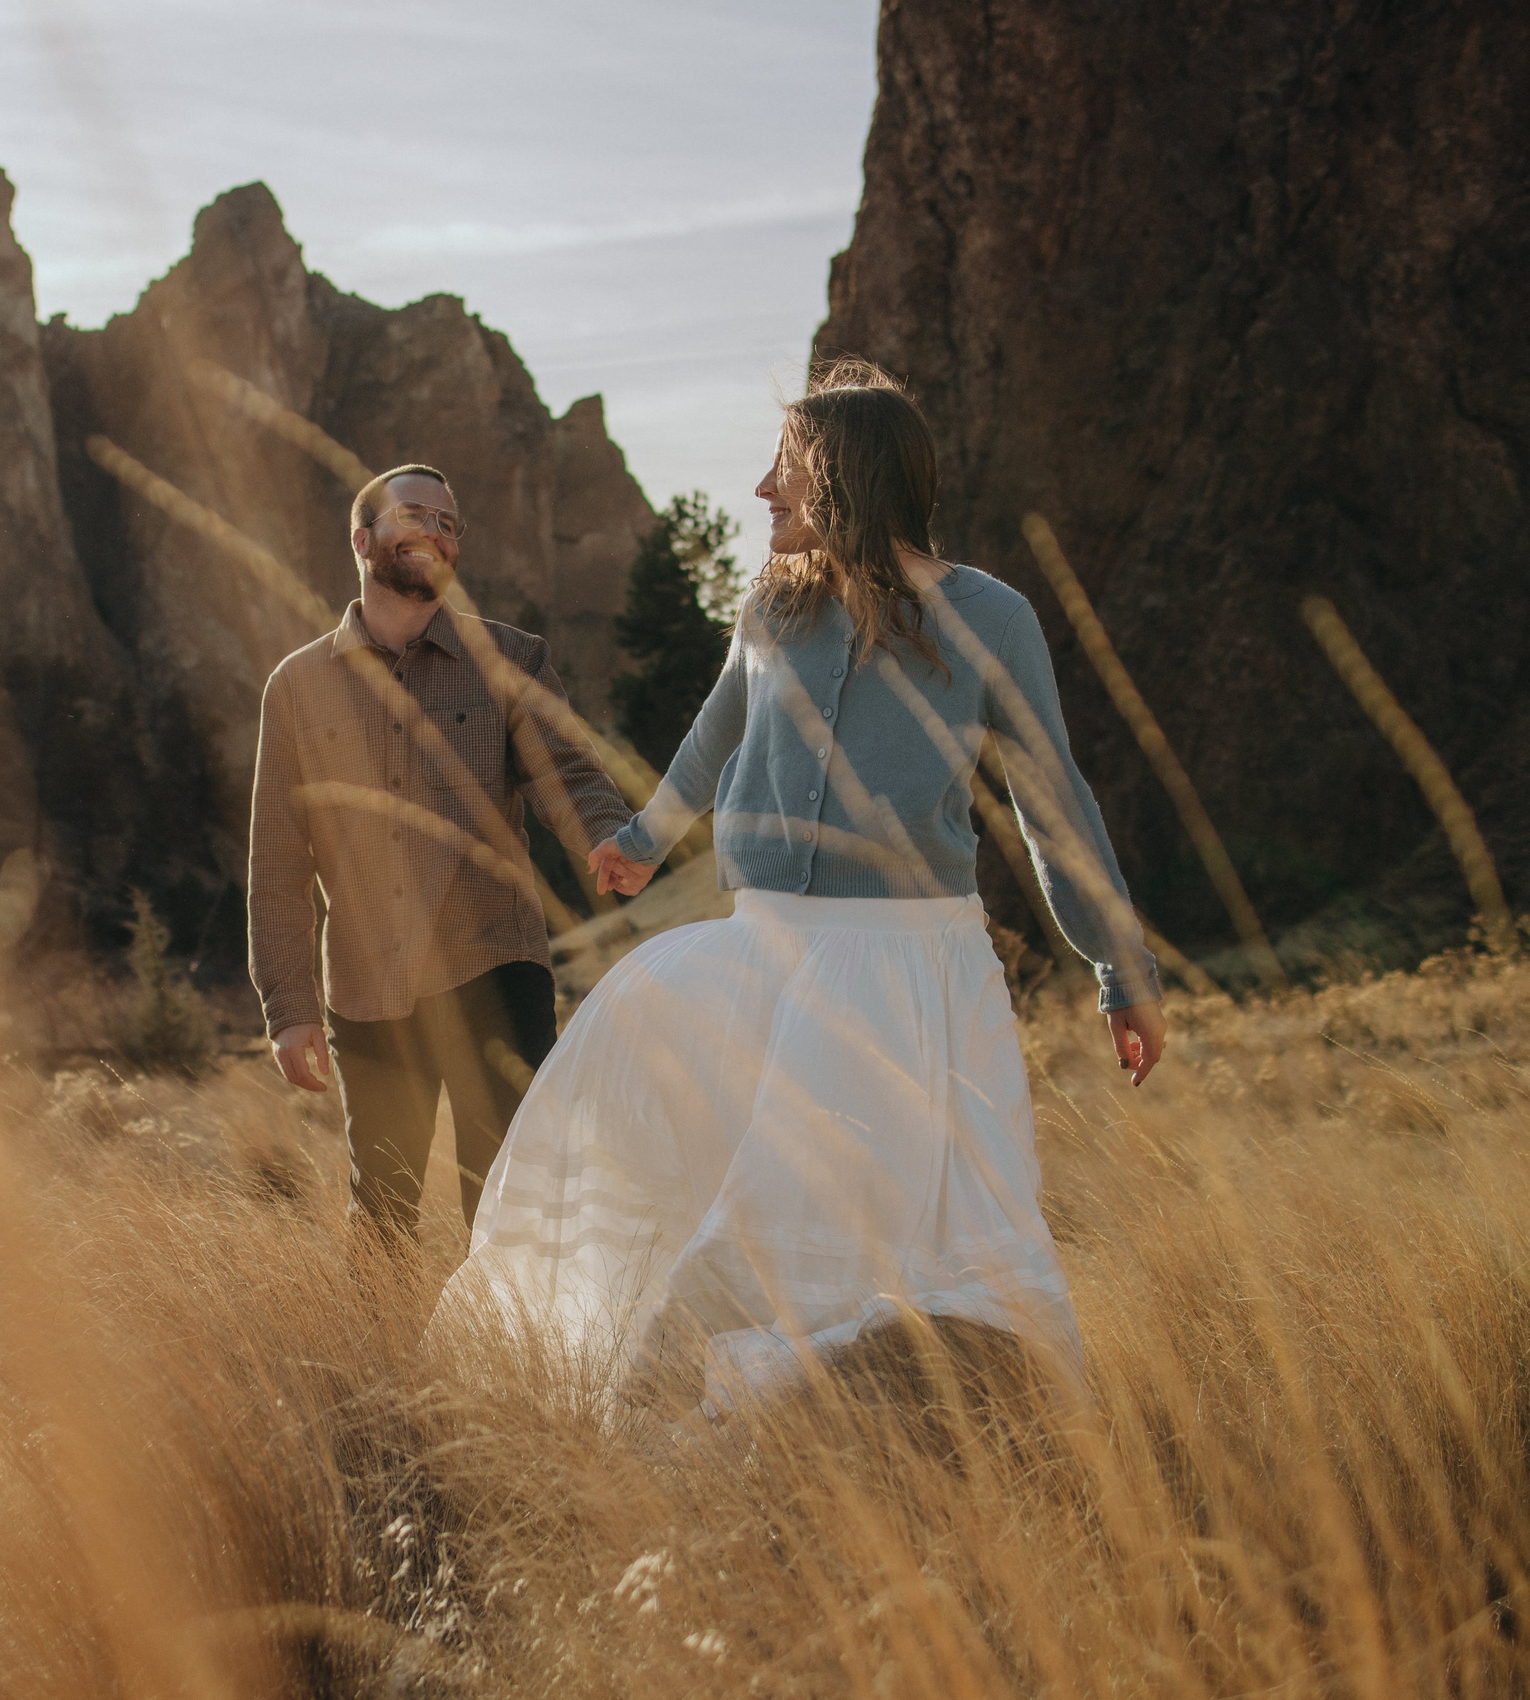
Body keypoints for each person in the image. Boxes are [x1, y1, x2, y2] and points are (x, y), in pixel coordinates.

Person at [443, 363, 1166, 1408]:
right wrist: (646, 838)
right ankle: (686, 1406)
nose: (759, 490)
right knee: (662, 1141)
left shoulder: (989, 618)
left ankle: (853, 1416)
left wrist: (1119, 968)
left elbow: (1054, 804)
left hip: (905, 972)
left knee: (856, 1229)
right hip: (760, 953)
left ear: (843, 479)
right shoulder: (770, 608)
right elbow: (712, 735)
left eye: (782, 468)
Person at [248, 464, 634, 1245]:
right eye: (416, 515)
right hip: (368, 984)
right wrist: (288, 1009)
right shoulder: (295, 687)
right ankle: (381, 1366)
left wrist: (612, 839)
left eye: (450, 524)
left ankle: (512, 1365)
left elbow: (569, 772)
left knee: (507, 1199)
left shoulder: (512, 659)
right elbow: (278, 864)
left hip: (493, 965)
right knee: (382, 1209)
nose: (437, 532)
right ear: (364, 540)